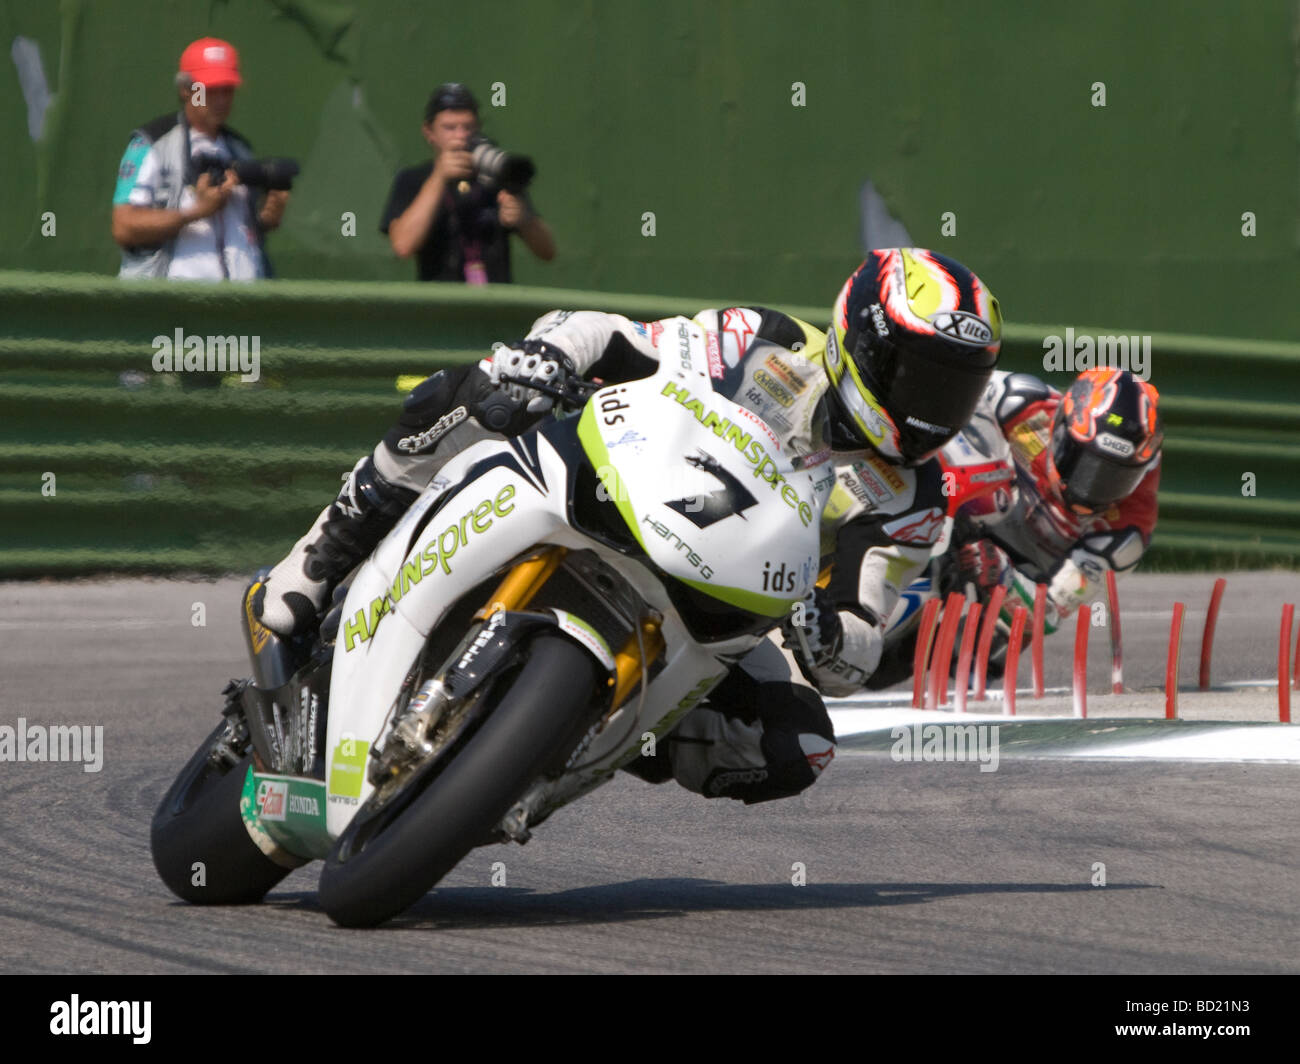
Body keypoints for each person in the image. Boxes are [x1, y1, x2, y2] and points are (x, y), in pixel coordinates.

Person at [252, 248, 1002, 801]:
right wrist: (546, 356)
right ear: (864, 342)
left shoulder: (912, 497)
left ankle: (575, 739)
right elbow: (619, 338)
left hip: (735, 609)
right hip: (626, 490)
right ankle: (320, 557)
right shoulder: (766, 341)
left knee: (797, 746)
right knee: (472, 393)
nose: (934, 407)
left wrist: (829, 635)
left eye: (956, 389)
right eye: (920, 374)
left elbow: (863, 641)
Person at [948, 366, 1162, 639]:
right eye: (1083, 462)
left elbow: (1047, 615)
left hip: (1019, 573)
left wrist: (1003, 577)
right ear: (1062, 425)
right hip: (961, 506)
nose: (1090, 488)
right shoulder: (1017, 401)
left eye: (1115, 477)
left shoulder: (1126, 534)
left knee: (995, 648)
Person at [112, 38, 288, 280]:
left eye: (227, 89)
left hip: (240, 308)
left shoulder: (240, 149)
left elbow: (245, 233)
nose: (220, 99)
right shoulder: (152, 145)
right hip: (172, 307)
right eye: (209, 89)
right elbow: (124, 226)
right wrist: (195, 212)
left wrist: (268, 217)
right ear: (186, 90)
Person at [381, 83, 555, 282]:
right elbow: (403, 246)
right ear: (429, 132)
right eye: (449, 128)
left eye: (468, 127)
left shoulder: (497, 176)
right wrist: (439, 177)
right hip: (440, 306)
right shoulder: (413, 179)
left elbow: (547, 252)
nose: (461, 136)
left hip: (494, 306)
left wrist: (525, 220)